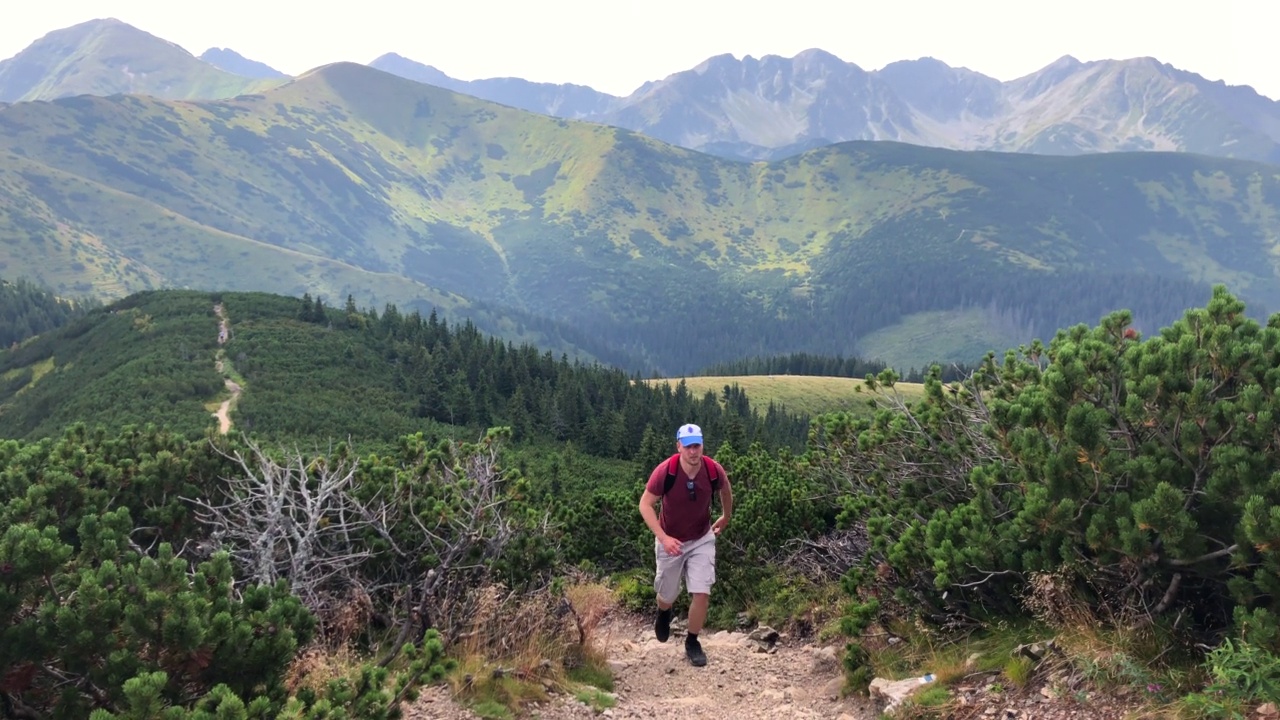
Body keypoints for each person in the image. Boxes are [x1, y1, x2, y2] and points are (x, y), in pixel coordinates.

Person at [638, 422, 733, 667]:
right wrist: (663, 538)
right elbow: (645, 504)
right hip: (671, 539)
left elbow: (725, 490)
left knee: (702, 591)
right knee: (667, 594)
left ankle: (692, 641)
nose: (693, 451)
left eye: (697, 446)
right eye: (688, 446)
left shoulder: (713, 470)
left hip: (701, 537)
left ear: (702, 445)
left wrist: (726, 515)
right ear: (678, 446)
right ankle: (664, 611)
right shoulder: (666, 471)